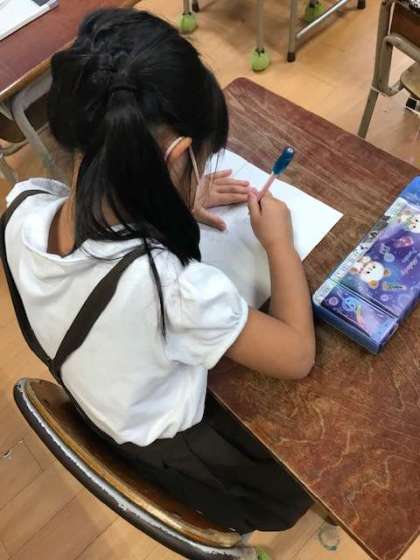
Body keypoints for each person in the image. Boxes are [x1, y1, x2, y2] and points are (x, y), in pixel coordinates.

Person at [1, 8, 315, 533]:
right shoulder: (172, 290)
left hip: (105, 404)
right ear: (178, 155)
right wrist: (279, 243)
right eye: (202, 162)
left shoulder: (23, 208)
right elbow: (297, 355)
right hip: (186, 459)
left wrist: (172, 196)